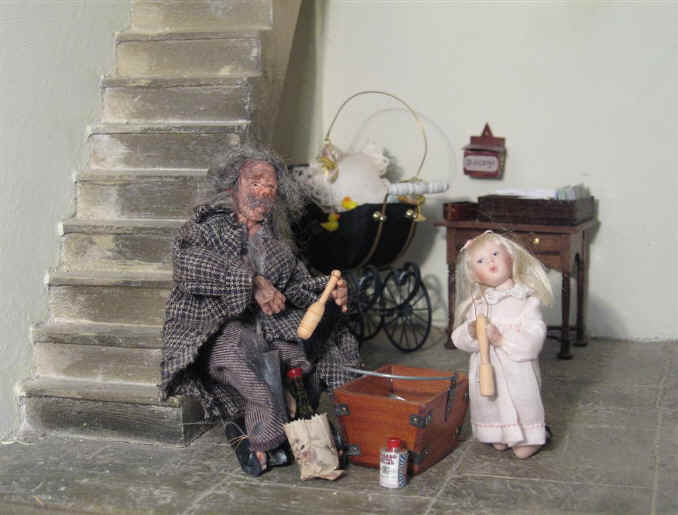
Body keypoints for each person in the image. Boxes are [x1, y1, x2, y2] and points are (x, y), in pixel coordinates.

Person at [160, 145, 360, 476]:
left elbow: (298, 285)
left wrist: (328, 290)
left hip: (267, 329)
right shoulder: (207, 228)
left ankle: (293, 425)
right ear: (232, 186)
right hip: (220, 331)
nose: (264, 190)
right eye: (255, 181)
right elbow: (187, 263)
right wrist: (251, 282)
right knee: (253, 373)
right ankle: (264, 438)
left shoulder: (277, 245)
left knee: (307, 358)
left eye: (270, 186)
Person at [451, 230, 553, 459]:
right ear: (475, 275)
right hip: (487, 368)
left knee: (522, 400)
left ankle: (530, 436)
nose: (490, 261)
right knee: (489, 401)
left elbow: (534, 336)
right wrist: (471, 332)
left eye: (495, 253)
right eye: (481, 260)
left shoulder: (526, 300)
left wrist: (501, 339)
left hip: (516, 367)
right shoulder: (478, 304)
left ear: (510, 257)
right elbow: (458, 340)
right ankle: (496, 432)